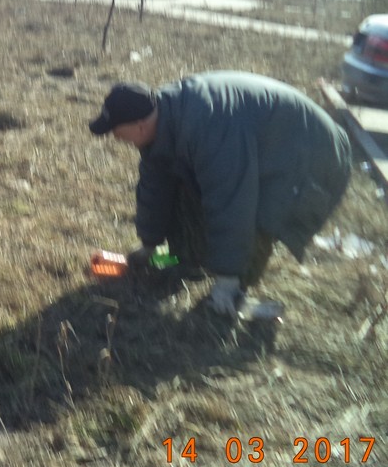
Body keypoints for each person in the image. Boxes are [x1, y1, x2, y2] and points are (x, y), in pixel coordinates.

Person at [88, 71, 352, 317]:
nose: (114, 137)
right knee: (190, 207)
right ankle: (189, 259)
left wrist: (227, 277)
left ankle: (233, 294)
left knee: (255, 217)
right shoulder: (161, 117)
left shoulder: (208, 126)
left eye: (116, 131)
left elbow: (233, 203)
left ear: (139, 126)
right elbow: (155, 185)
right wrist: (149, 245)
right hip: (260, 144)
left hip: (312, 156)